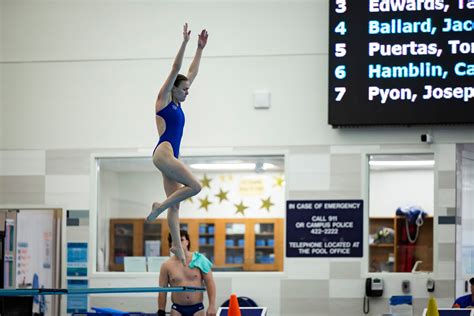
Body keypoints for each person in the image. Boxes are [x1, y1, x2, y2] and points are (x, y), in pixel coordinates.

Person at [146, 23, 208, 265]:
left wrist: (200, 49)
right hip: (164, 154)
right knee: (195, 186)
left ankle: (177, 248)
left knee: (176, 207)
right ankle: (158, 207)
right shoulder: (162, 101)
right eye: (184, 89)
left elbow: (191, 72)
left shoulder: (179, 103)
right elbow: (177, 68)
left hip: (171, 157)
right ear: (174, 88)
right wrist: (184, 42)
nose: (187, 92)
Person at [158, 230, 217, 316]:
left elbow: (210, 283)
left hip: (198, 309)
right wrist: (161, 311)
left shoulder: (200, 259)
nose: (178, 243)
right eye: (175, 241)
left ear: (187, 242)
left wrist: (212, 306)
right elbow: (162, 290)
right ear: (171, 245)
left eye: (181, 240)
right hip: (177, 309)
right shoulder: (166, 265)